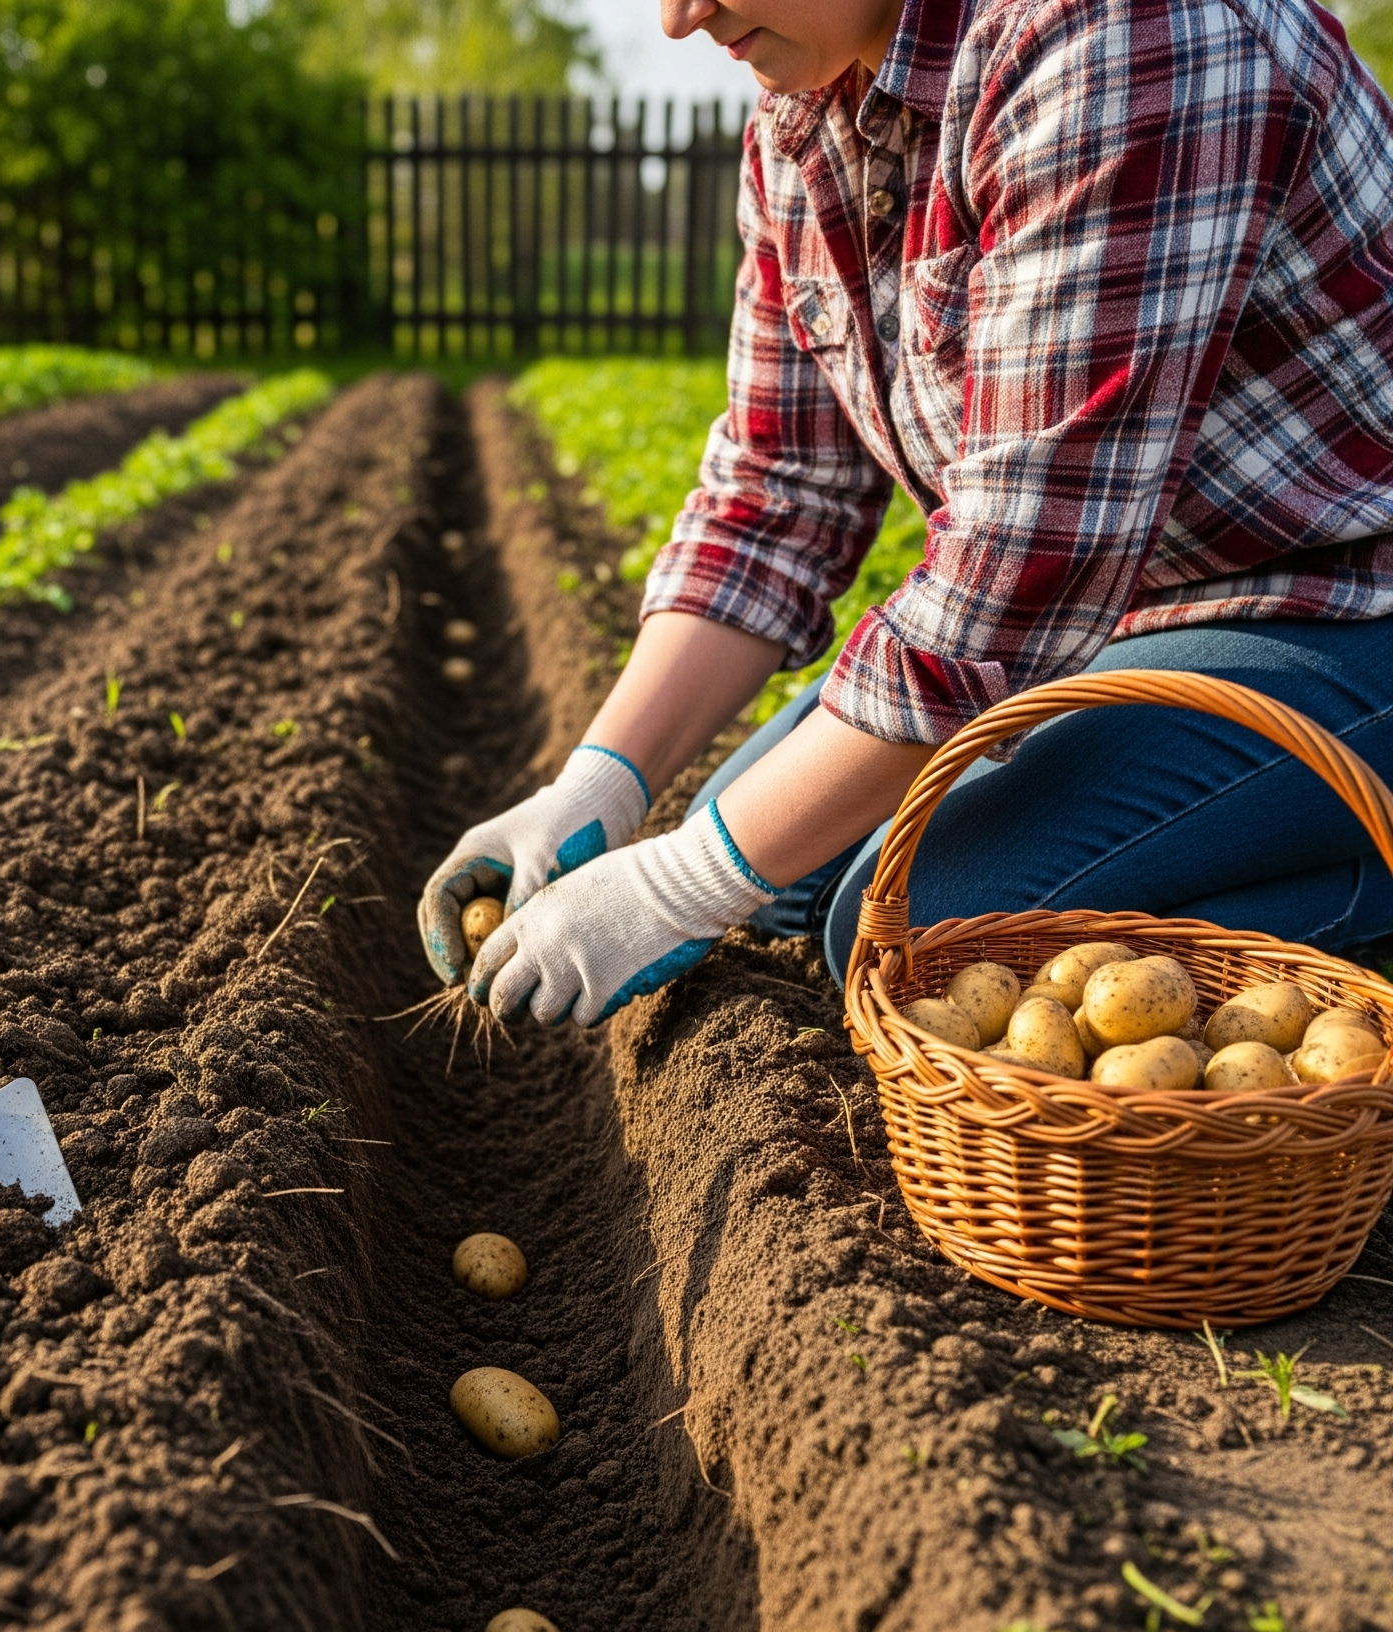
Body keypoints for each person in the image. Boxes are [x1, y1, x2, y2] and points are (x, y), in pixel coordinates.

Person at [419, 0, 1393, 1024]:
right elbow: (775, 492)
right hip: (1118, 618)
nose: (677, 18)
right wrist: (596, 787)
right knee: (783, 870)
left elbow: (1014, 576)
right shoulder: (806, 107)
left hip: (1336, 610)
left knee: (910, 930)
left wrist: (678, 885)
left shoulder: (1117, 40)